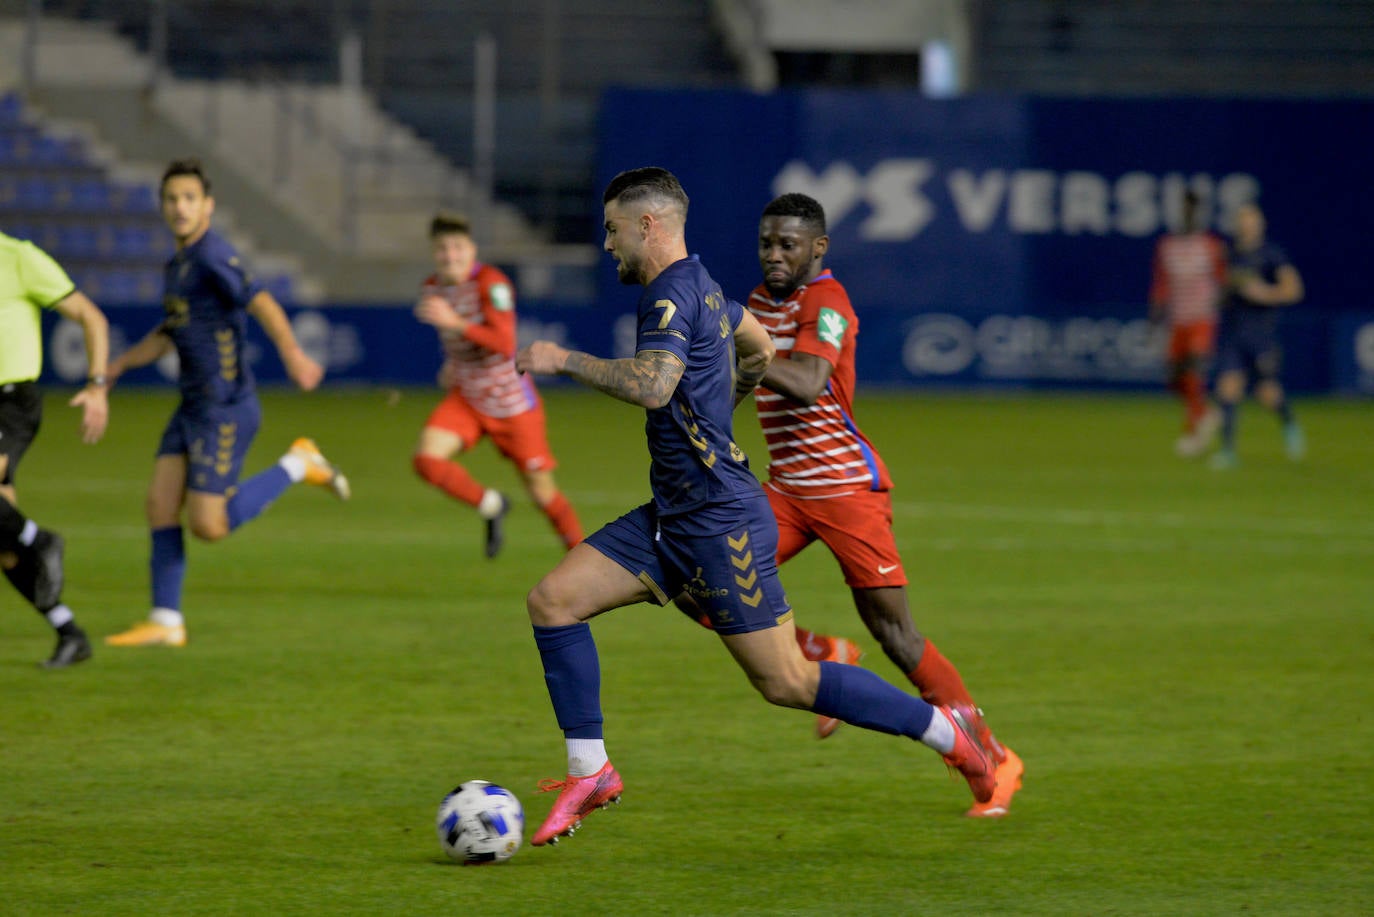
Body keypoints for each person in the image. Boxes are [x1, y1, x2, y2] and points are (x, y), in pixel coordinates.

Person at [514, 167, 994, 847]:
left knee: (787, 681)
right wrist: (720, 410)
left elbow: (653, 385)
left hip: (719, 520)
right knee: (553, 601)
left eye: (613, 228)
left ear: (648, 225)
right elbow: (759, 345)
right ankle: (590, 772)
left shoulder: (671, 294)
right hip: (674, 512)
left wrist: (562, 358)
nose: (607, 242)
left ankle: (949, 732)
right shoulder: (705, 285)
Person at [675, 192, 1023, 817]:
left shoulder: (827, 302)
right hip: (786, 491)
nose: (774, 255)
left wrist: (739, 343)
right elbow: (744, 379)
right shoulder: (758, 303)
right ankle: (821, 652)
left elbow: (809, 382)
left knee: (895, 633)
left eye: (788, 245)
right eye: (766, 243)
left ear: (818, 248)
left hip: (845, 490)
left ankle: (993, 756)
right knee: (694, 579)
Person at [104, 159, 350, 648]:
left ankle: (298, 465)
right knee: (159, 505)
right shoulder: (178, 266)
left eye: (189, 198)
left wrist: (293, 354)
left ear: (208, 206)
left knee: (209, 526)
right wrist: (120, 364)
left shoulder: (213, 255)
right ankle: (166, 621)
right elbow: (170, 332)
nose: (180, 207)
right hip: (191, 404)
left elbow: (262, 302)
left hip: (223, 406)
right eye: (172, 199)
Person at [411, 213, 582, 558]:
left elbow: (504, 343)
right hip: (468, 398)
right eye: (442, 248)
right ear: (433, 252)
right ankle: (492, 504)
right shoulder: (432, 287)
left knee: (543, 495)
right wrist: (452, 363)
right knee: (427, 460)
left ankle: (582, 558)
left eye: (458, 247)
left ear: (472, 250)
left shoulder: (492, 283)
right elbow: (457, 340)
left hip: (511, 403)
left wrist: (456, 323)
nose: (450, 255)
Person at [0, 229, 109, 667]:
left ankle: (39, 539)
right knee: (5, 545)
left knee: (15, 537)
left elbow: (91, 316)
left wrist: (97, 385)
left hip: (10, 403)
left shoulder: (18, 257)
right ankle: (69, 632)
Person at [1209, 202, 1306, 470]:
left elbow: (1294, 290)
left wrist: (1264, 293)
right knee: (1227, 388)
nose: (1247, 226)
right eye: (1243, 221)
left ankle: (1290, 424)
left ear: (1260, 224)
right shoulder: (1229, 254)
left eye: (1251, 221)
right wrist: (1225, 290)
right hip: (1234, 334)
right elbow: (1219, 296)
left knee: (1267, 394)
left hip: (1261, 336)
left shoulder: (1272, 255)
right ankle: (1228, 452)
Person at [1149, 189, 1227, 457]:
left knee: (1194, 373)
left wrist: (1218, 305)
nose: (1187, 214)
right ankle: (1206, 413)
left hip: (1201, 318)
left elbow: (1222, 280)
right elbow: (1161, 285)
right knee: (1174, 379)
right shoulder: (1167, 245)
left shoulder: (1210, 245)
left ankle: (1193, 434)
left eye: (1191, 209)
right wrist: (1154, 320)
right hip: (1177, 320)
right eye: (1183, 208)